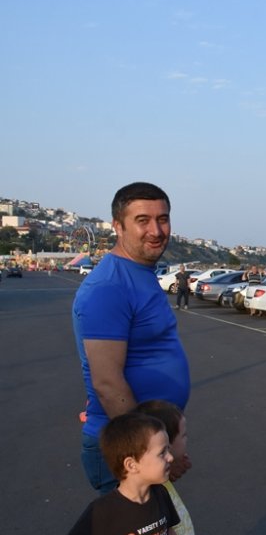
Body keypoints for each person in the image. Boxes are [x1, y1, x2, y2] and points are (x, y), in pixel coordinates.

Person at [2, 412, 195, 535]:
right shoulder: (103, 513)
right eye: (162, 452)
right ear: (131, 464)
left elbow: (168, 532)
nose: (171, 457)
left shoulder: (160, 494)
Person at [72, 182, 191, 495]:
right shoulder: (108, 287)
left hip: (147, 444)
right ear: (117, 226)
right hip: (127, 452)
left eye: (162, 219)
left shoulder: (142, 271)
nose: (156, 230)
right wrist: (153, 455)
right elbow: (108, 384)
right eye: (142, 221)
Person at [137, 400, 198, 535]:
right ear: (166, 445)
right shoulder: (148, 496)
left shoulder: (159, 481)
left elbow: (169, 529)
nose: (187, 439)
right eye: (184, 435)